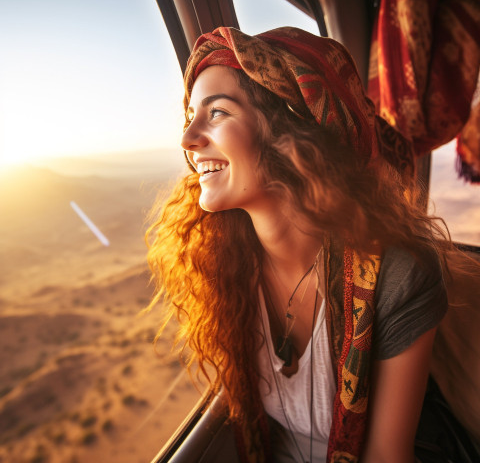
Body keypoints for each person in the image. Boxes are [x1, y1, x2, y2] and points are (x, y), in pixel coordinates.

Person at [145, 27, 471, 463]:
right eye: (189, 118)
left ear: (291, 132)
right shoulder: (226, 268)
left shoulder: (397, 277)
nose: (187, 139)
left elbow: (385, 457)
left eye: (217, 113)